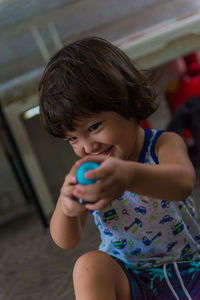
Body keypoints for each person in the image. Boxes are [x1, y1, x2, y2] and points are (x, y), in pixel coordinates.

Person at [39, 36, 200, 300]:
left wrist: (128, 175)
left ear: (128, 103)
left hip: (188, 269)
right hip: (129, 278)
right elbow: (66, 241)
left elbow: (182, 183)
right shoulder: (87, 172)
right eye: (73, 138)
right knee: (89, 266)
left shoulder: (163, 144)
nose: (87, 147)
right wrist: (67, 209)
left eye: (94, 127)